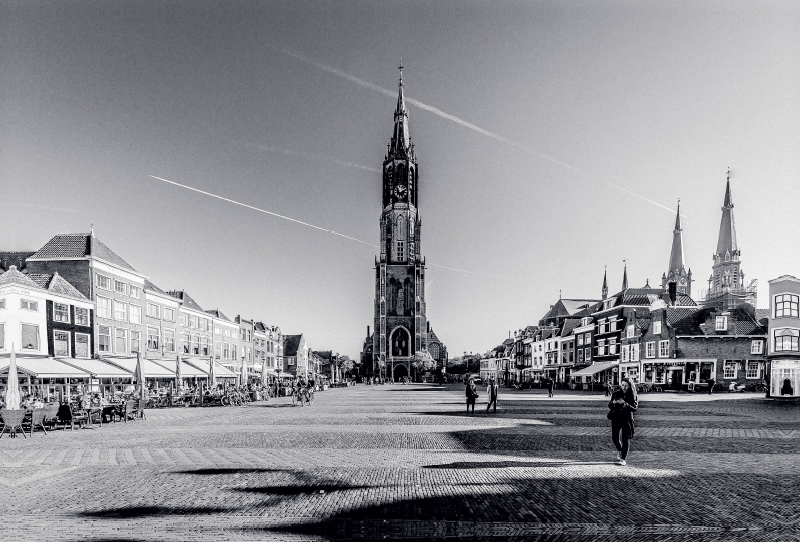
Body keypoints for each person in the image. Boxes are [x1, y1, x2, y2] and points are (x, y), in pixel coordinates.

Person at [607, 378, 638, 466]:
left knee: (625, 439)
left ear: (630, 386)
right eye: (622, 385)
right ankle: (620, 450)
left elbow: (634, 408)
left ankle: (623, 458)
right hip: (616, 418)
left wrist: (625, 403)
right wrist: (613, 402)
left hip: (627, 419)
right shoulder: (616, 393)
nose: (623, 387)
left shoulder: (633, 395)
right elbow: (609, 406)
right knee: (615, 438)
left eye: (626, 386)